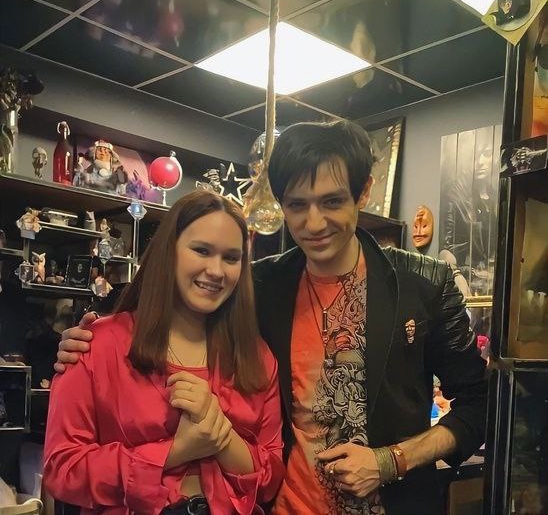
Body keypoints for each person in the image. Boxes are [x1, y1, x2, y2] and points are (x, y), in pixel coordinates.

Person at [56, 120, 488, 515]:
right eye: (297, 204)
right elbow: (175, 318)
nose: (314, 222)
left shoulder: (424, 283)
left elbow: (480, 405)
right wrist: (88, 343)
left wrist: (391, 461)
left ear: (364, 193)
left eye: (332, 201)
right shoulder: (258, 286)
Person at [45, 191, 284, 515]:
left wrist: (224, 439)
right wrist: (177, 450)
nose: (216, 271)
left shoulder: (256, 357)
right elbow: (62, 470)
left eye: (231, 258)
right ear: (168, 251)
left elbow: (271, 478)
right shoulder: (97, 345)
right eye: (201, 250)